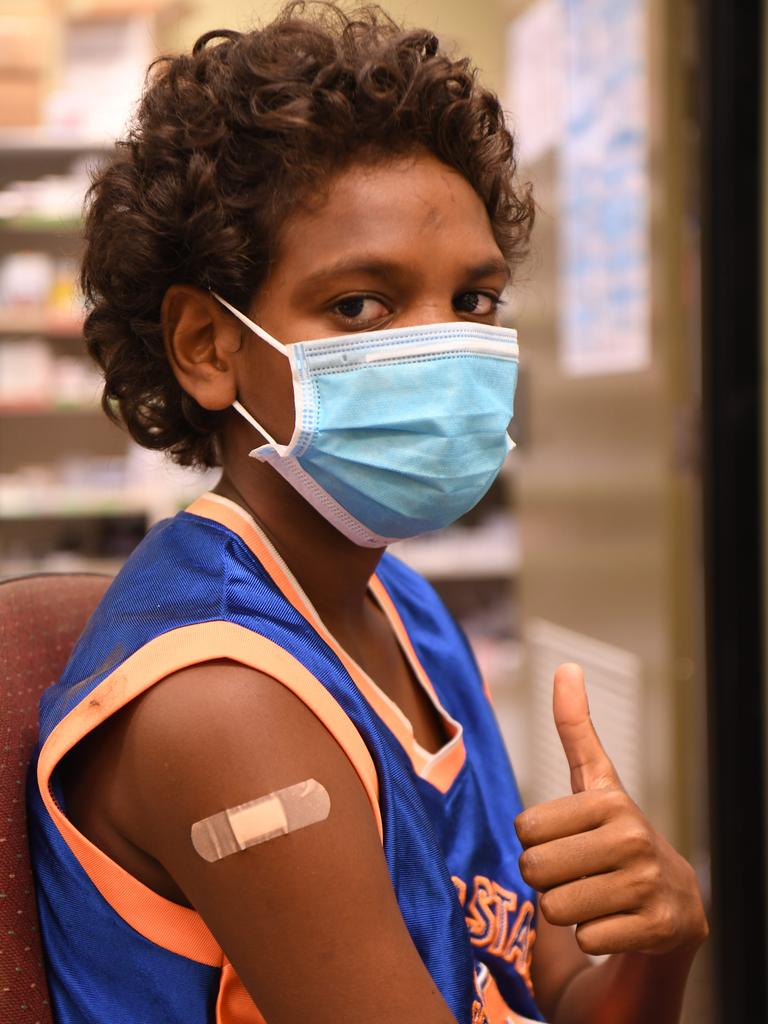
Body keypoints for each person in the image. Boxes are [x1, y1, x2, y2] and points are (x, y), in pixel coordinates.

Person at [26, 4, 708, 1022]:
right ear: (210, 346)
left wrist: (663, 936)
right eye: (361, 306)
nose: (440, 350)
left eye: (473, 301)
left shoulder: (405, 609)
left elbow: (551, 987)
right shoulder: (226, 704)